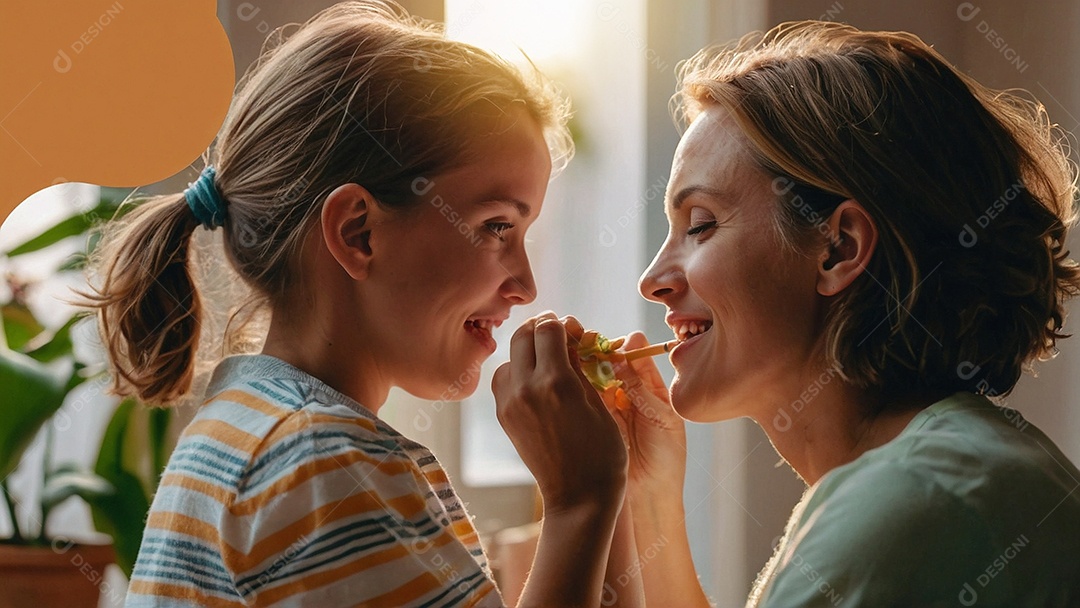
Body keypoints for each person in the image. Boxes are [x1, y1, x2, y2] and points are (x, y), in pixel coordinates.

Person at [497, 21, 1080, 607]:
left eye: (700, 225)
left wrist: (579, 500)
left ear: (838, 248)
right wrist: (646, 495)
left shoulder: (915, 503)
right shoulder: (939, 473)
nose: (651, 281)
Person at [87, 2, 630, 606]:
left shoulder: (250, 429)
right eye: (497, 225)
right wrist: (581, 497)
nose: (525, 286)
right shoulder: (323, 467)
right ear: (358, 234)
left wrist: (612, 485)